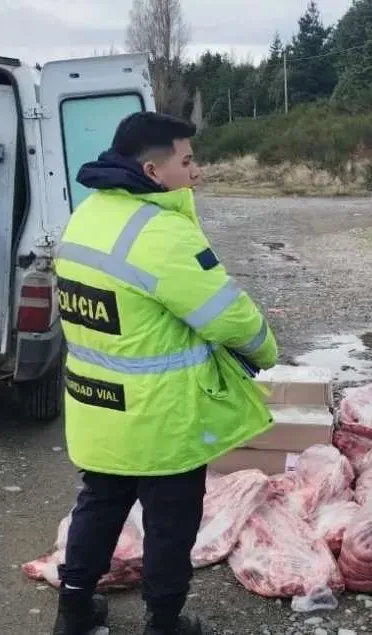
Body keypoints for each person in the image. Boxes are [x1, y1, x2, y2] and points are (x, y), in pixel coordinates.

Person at [51, 112, 279, 635]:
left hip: (96, 401)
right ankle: (165, 621)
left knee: (100, 503)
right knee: (171, 521)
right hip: (160, 413)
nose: (195, 170)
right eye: (187, 160)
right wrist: (266, 350)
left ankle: (75, 612)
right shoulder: (160, 233)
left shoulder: (89, 214)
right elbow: (228, 316)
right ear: (154, 171)